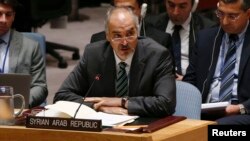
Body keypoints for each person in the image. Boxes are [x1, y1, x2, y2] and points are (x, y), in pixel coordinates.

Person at [54, 7, 176, 117]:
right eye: (117, 36)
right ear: (107, 36)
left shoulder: (158, 55)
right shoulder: (93, 54)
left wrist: (122, 102)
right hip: (104, 126)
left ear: (137, 32)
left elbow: (166, 104)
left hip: (143, 126)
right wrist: (100, 107)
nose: (124, 42)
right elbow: (62, 95)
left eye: (130, 34)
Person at [183, 0, 250, 125]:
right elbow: (189, 82)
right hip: (205, 110)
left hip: (241, 113)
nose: (224, 22)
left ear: (248, 14)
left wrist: (240, 108)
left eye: (232, 16)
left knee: (219, 127)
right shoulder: (205, 38)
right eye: (220, 14)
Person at [147, 0, 216, 80]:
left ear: (193, 6)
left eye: (182, 6)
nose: (175, 12)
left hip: (192, 84)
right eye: (171, 5)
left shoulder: (207, 29)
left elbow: (208, 68)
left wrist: (187, 80)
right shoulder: (150, 25)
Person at [0, 0, 48, 108]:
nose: (3, 20)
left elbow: (40, 87)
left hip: (16, 111)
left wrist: (21, 104)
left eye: (8, 15)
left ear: (13, 16)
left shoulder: (30, 47)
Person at [90, 0, 172, 51]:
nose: (124, 15)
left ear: (141, 10)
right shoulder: (98, 41)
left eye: (130, 9)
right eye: (119, 9)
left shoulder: (161, 41)